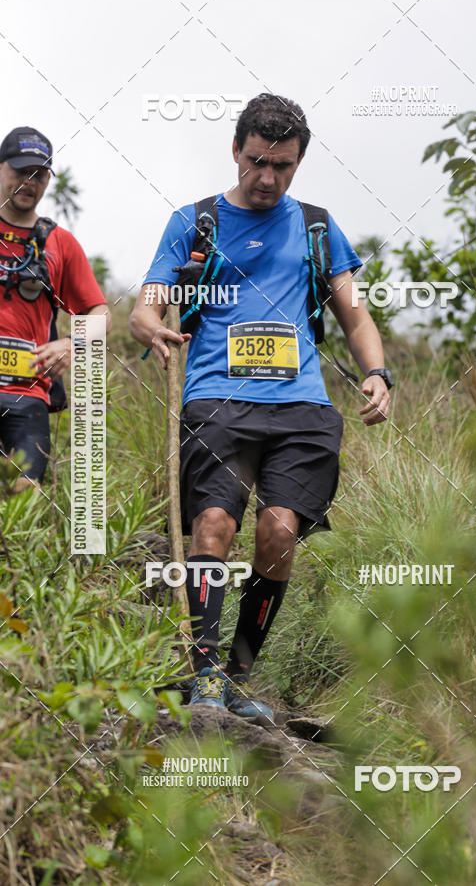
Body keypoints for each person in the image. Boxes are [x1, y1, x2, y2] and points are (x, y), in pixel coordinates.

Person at [130, 93, 393, 720]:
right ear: (236, 151)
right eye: (256, 162)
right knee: (214, 527)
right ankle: (204, 676)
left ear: (299, 162)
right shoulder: (195, 224)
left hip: (301, 407)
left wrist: (378, 373)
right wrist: (149, 327)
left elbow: (355, 316)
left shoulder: (317, 226)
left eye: (283, 165)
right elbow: (146, 304)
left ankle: (240, 675)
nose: (268, 178)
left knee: (278, 534)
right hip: (218, 398)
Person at [0, 126, 111, 491]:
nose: (28, 182)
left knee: (23, 496)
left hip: (27, 393)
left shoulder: (59, 243)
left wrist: (72, 344)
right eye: (19, 171)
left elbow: (100, 313)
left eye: (39, 174)